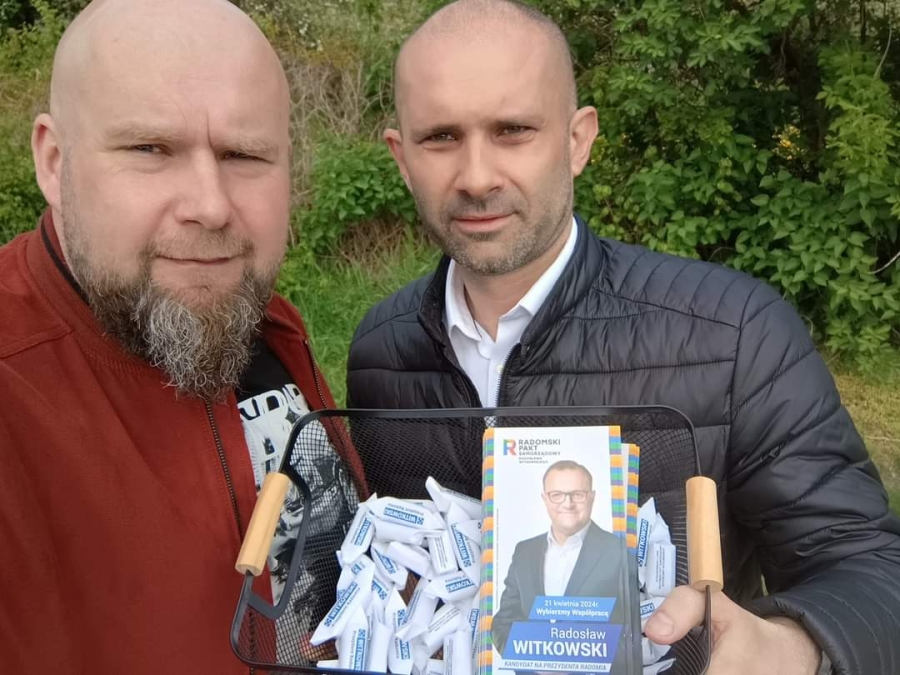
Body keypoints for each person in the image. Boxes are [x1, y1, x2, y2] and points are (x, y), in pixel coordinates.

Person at [346, 1, 900, 673]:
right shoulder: (378, 355)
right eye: (440, 137)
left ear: (578, 140)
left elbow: (871, 568)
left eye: (514, 130)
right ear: (401, 158)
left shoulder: (734, 333)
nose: (477, 176)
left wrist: (798, 644)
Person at [0, 0, 367, 672]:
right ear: (53, 162)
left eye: (245, 154)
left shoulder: (264, 324)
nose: (211, 206)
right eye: (150, 149)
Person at [491, 461, 631, 661]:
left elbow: (630, 629)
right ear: (544, 499)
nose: (567, 504)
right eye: (556, 495)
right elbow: (503, 622)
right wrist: (531, 663)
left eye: (578, 494)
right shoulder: (524, 551)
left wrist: (580, 664)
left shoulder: (618, 550)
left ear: (592, 497)